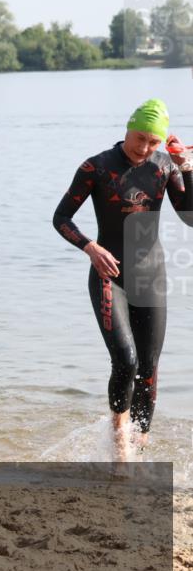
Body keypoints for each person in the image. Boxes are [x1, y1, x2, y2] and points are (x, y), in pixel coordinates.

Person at [53, 98, 192, 460]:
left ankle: (140, 446)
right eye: (140, 138)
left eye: (153, 142)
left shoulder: (164, 165)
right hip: (109, 274)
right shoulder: (96, 167)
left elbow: (190, 217)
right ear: (128, 128)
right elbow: (61, 218)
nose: (144, 148)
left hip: (151, 275)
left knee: (148, 368)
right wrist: (90, 248)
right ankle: (120, 450)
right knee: (126, 360)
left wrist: (187, 168)